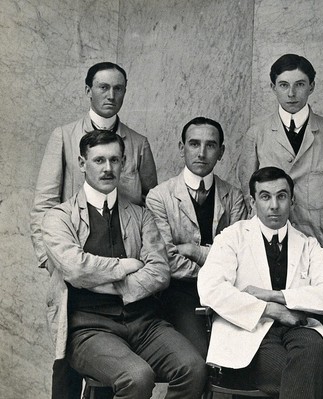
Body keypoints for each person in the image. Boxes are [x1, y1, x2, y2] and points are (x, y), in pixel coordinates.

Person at [42, 131, 205, 398]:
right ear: (82, 164)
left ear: (124, 162)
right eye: (99, 160)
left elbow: (160, 272)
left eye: (114, 160)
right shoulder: (59, 218)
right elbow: (76, 269)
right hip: (88, 328)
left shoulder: (141, 216)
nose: (108, 168)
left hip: (145, 323)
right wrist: (126, 265)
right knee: (137, 377)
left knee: (194, 368)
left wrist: (105, 285)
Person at [30, 61, 158, 398]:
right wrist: (56, 262)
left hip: (125, 270)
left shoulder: (139, 143)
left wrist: (134, 272)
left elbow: (150, 206)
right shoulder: (64, 136)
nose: (111, 95)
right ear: (89, 90)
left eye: (118, 89)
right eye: (103, 87)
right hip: (76, 275)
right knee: (68, 370)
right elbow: (43, 205)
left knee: (118, 371)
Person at [198, 166, 323, 399]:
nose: (274, 205)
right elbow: (210, 289)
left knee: (312, 351)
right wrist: (269, 309)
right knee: (311, 372)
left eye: (281, 196)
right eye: (265, 197)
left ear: (292, 202)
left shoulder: (308, 245)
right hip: (249, 332)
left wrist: (276, 296)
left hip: (297, 327)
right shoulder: (232, 237)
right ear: (253, 203)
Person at [146, 116, 247, 355]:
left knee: (241, 354)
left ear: (221, 152)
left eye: (210, 145)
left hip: (228, 291)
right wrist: (214, 267)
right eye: (194, 144)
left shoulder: (234, 196)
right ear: (182, 149)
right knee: (203, 354)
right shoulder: (159, 197)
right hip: (180, 292)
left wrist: (194, 251)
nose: (201, 152)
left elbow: (241, 258)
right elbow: (166, 260)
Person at [237, 53, 323, 249]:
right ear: (273, 87)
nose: (291, 93)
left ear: (312, 86)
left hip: (317, 241)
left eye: (299, 84)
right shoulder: (256, 134)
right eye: (283, 85)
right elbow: (248, 191)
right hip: (267, 242)